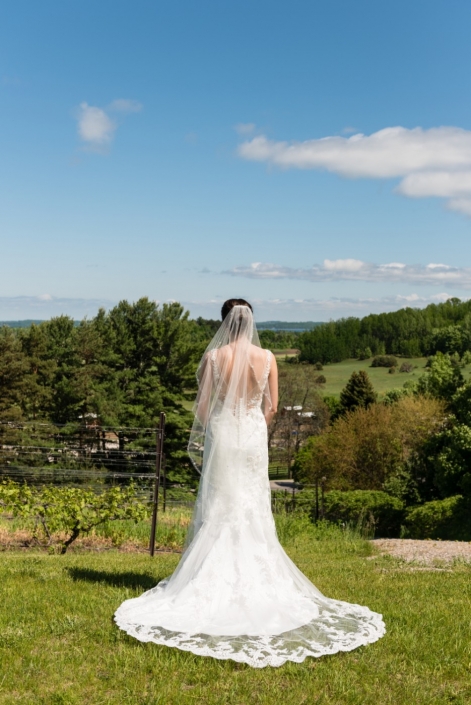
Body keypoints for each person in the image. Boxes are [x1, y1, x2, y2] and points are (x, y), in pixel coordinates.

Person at [114, 298, 385, 668]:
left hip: (225, 433)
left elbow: (204, 405)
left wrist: (218, 428)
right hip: (253, 436)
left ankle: (208, 577)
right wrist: (257, 428)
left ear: (225, 322)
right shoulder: (268, 357)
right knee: (251, 504)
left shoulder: (215, 358)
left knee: (221, 503)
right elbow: (272, 405)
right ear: (251, 322)